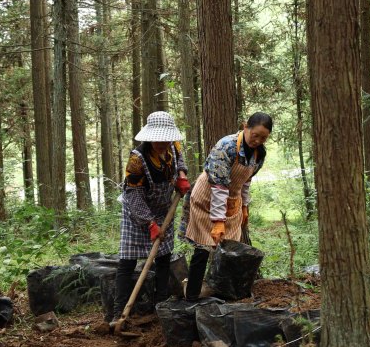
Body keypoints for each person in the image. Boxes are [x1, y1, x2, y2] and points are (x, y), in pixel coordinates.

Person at [183, 112, 272, 300]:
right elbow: (219, 187)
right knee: (203, 247)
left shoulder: (259, 153)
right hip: (207, 198)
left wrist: (245, 206)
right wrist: (217, 221)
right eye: (255, 135)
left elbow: (246, 182)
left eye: (263, 138)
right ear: (245, 126)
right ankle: (191, 295)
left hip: (233, 202)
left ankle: (224, 291)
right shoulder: (226, 147)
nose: (257, 140)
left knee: (229, 250)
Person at [114, 111, 191, 321]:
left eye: (165, 138)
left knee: (164, 257)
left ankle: (160, 305)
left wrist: (181, 176)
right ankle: (118, 312)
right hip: (137, 213)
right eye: (157, 139)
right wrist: (149, 223)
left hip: (163, 209)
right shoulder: (137, 160)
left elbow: (180, 160)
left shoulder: (173, 146)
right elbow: (134, 194)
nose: (161, 143)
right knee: (127, 261)